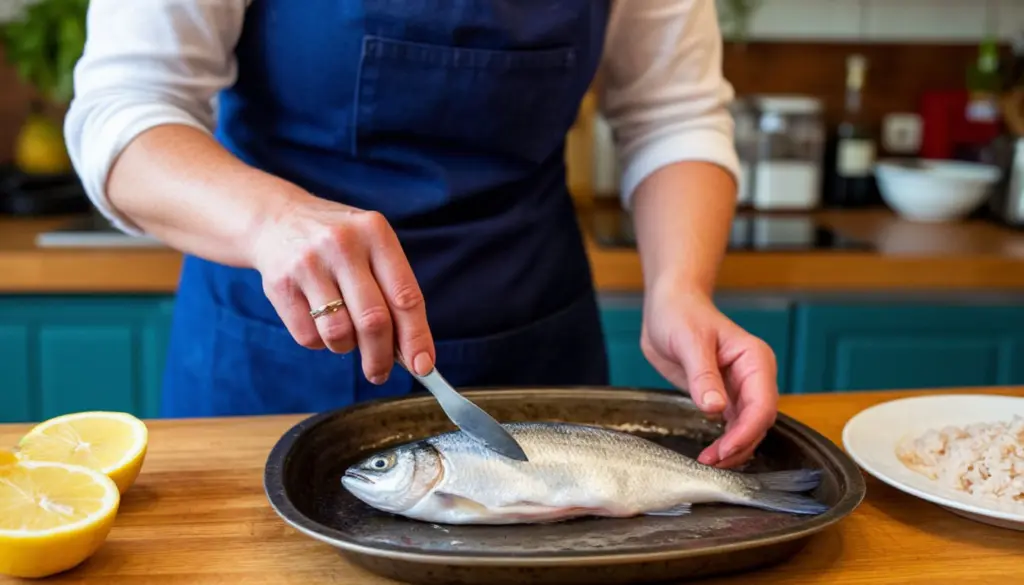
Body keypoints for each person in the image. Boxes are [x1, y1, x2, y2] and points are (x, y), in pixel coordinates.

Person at [65, 0, 778, 469]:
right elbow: (123, 110)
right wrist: (271, 219)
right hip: (273, 359)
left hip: (530, 345)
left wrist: (680, 287)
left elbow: (673, 115)